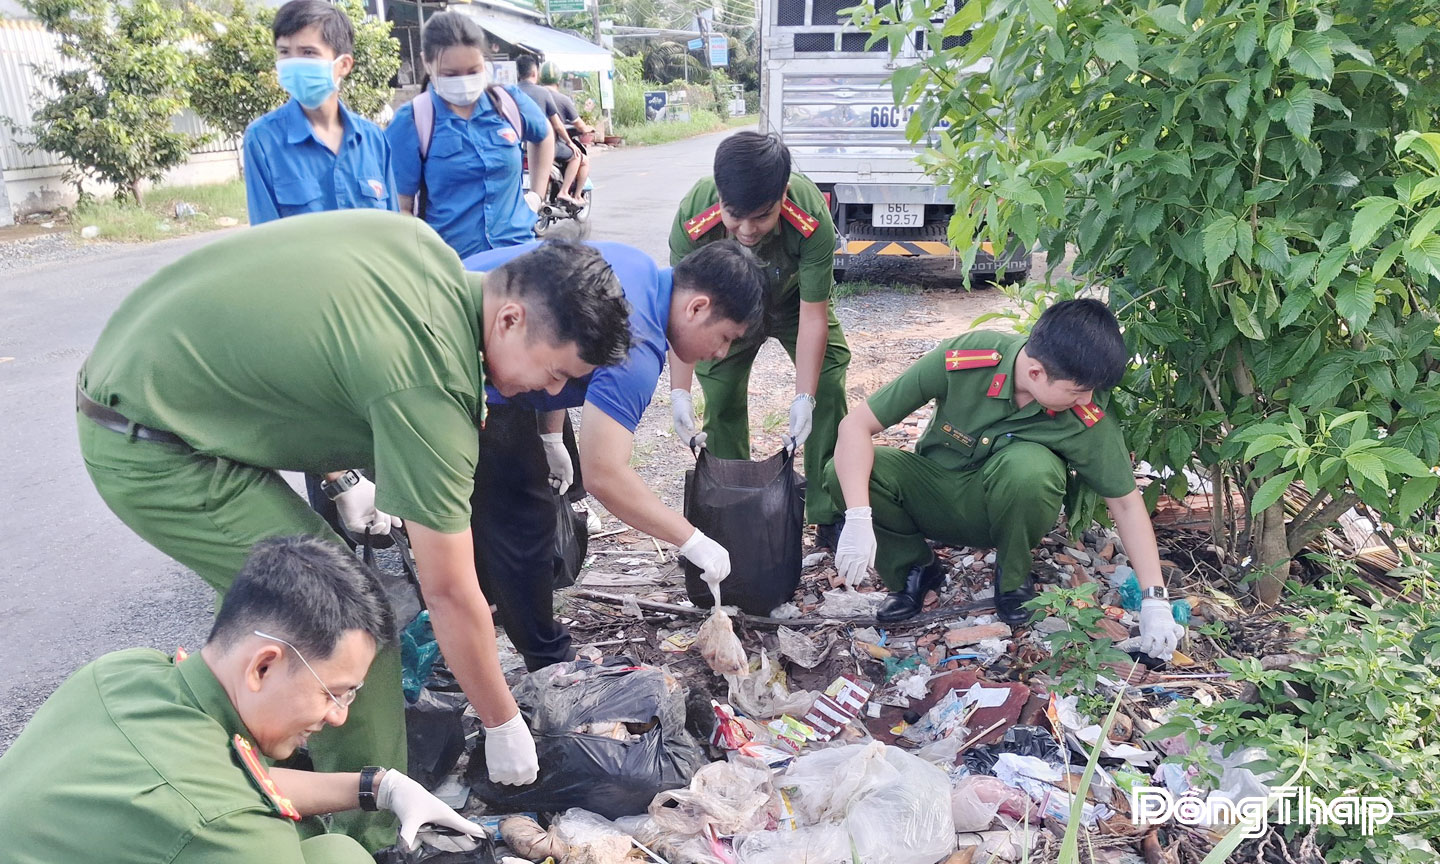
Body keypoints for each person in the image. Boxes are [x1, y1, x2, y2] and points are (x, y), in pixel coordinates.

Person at [75, 210, 633, 851]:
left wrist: (340, 477)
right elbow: (450, 590)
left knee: (282, 614)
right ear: (509, 320)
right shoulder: (431, 382)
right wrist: (502, 720)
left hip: (155, 380)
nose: (551, 390)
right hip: (153, 447)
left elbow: (306, 347)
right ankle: (370, 837)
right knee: (352, 633)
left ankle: (264, 773)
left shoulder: (425, 253)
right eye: (556, 372)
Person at [0, 536, 482, 863]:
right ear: (263, 666)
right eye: (334, 693)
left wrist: (381, 787)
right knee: (337, 855)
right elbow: (217, 802)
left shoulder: (122, 671)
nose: (339, 717)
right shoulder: (228, 830)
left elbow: (236, 779)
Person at [461, 239, 766, 671]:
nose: (719, 354)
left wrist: (551, 436)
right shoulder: (637, 345)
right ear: (697, 308)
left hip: (470, 306)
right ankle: (547, 663)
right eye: (725, 338)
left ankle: (481, 608)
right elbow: (605, 474)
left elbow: (558, 346)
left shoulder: (637, 266)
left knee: (501, 508)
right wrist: (690, 539)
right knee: (525, 520)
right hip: (474, 360)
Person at [824, 299, 1188, 660]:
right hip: (932, 495)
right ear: (1035, 373)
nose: (1087, 400)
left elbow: (1125, 502)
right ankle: (914, 570)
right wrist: (858, 516)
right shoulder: (966, 359)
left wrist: (1155, 600)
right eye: (1077, 390)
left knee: (1030, 468)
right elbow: (856, 426)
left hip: (1000, 516)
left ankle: (1013, 579)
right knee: (841, 472)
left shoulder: (1083, 416)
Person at [669, 131, 851, 549]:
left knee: (827, 382)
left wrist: (804, 397)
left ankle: (827, 510)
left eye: (762, 217)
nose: (746, 230)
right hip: (727, 312)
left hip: (790, 305)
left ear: (783, 195)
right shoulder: (693, 218)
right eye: (735, 216)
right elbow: (682, 313)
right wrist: (679, 390)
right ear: (719, 195)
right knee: (722, 395)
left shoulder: (809, 217)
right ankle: (734, 513)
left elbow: (813, 314)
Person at [385, 11, 555, 259]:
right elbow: (402, 208)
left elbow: (544, 135)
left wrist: (536, 197)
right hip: (453, 267)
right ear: (427, 63)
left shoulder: (508, 103)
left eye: (473, 70)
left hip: (517, 256)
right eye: (451, 74)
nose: (464, 81)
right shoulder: (413, 120)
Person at [242, 0, 396, 225]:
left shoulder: (373, 139)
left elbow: (391, 228)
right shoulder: (263, 140)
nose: (294, 62)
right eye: (284, 52)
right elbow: (266, 240)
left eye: (308, 52)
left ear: (343, 64)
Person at [516, 55, 586, 207]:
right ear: (535, 74)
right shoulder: (544, 94)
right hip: (541, 146)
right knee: (576, 155)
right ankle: (564, 192)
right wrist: (570, 143)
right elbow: (558, 125)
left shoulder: (509, 93)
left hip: (516, 146)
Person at [538, 62, 592, 205]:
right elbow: (577, 124)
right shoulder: (562, 99)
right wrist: (587, 129)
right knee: (579, 156)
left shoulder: (533, 95)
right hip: (552, 144)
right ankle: (569, 193)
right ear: (558, 80)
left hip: (529, 144)